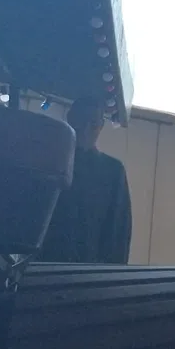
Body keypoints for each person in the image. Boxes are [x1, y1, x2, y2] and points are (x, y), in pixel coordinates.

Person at [38, 99, 132, 264]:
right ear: (70, 119)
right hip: (46, 267)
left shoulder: (113, 171)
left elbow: (118, 233)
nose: (86, 130)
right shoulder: (50, 162)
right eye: (81, 122)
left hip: (89, 272)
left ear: (101, 126)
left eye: (93, 123)